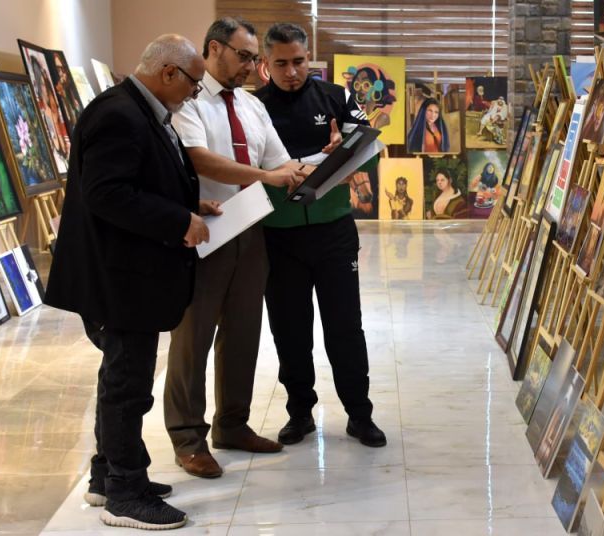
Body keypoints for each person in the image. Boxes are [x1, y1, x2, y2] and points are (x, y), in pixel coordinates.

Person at [44, 34, 212, 530]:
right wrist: (178, 221)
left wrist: (188, 204)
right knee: (127, 386)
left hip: (127, 274)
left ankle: (106, 475)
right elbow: (108, 194)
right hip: (119, 278)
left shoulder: (135, 109)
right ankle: (125, 493)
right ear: (168, 73)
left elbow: (139, 181)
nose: (194, 94)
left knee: (120, 378)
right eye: (193, 84)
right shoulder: (119, 113)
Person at [164, 17, 308, 479]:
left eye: (253, 58)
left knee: (243, 333)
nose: (251, 66)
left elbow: (280, 162)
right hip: (203, 232)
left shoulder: (251, 106)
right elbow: (199, 159)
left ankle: (232, 424)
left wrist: (323, 162)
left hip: (250, 230)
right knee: (193, 340)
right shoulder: (188, 100)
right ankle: (188, 438)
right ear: (214, 49)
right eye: (243, 56)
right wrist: (267, 176)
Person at [253, 22, 386, 447]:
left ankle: (360, 414)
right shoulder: (254, 107)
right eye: (281, 64)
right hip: (278, 236)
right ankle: (299, 413)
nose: (292, 71)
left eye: (299, 61)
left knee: (345, 326)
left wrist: (340, 155)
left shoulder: (337, 98)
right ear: (265, 63)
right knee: (289, 330)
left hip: (333, 232)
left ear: (309, 57)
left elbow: (368, 154)